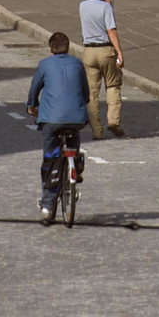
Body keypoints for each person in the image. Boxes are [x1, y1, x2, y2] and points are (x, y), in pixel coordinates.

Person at [26, 28, 90, 225]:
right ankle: (76, 165)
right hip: (77, 118)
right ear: (68, 48)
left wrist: (31, 106)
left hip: (51, 121)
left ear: (50, 48)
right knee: (74, 136)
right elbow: (86, 92)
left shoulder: (45, 65)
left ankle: (47, 205)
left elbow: (34, 89)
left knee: (50, 159)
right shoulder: (78, 64)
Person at [77, 0, 125, 140]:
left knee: (92, 92)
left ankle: (97, 131)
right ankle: (113, 121)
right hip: (105, 50)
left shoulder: (82, 5)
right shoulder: (106, 7)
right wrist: (119, 52)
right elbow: (111, 31)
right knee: (113, 85)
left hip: (89, 51)